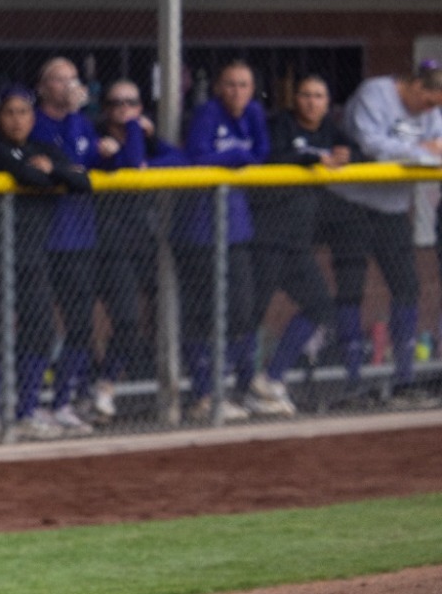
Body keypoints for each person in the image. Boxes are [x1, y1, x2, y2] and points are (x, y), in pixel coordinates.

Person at [327, 62, 442, 406]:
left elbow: (438, 142)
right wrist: (420, 150)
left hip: (393, 208)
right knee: (351, 289)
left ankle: (404, 378)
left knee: (406, 287)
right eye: (429, 101)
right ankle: (351, 383)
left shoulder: (431, 111)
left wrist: (423, 148)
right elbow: (371, 144)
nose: (431, 110)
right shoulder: (375, 93)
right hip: (353, 204)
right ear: (417, 87)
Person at [0, 85, 93, 439]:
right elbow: (30, 176)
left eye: (24, 112)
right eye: (9, 112)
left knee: (41, 328)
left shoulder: (41, 148)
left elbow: (81, 180)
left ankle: (26, 408)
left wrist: (52, 168)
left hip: (32, 254)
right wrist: (49, 172)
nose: (17, 120)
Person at [245, 75, 354, 416]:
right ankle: (232, 390)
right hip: (266, 236)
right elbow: (274, 156)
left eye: (318, 96)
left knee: (320, 305)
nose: (311, 101)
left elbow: (354, 149)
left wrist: (346, 154)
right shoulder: (280, 123)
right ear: (296, 99)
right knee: (250, 314)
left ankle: (271, 378)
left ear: (327, 102)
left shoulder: (329, 129)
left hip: (298, 242)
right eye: (305, 95)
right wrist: (314, 160)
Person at [176, 61, 269, 422]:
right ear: (218, 87)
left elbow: (261, 153)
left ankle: (238, 386)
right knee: (202, 315)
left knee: (243, 309)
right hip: (199, 228)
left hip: (237, 227)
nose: (237, 92)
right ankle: (204, 394)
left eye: (244, 85)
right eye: (230, 84)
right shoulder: (206, 113)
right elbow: (198, 157)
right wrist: (235, 157)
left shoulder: (254, 113)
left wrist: (236, 158)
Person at [90, 79, 184, 423]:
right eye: (116, 103)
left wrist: (153, 142)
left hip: (144, 243)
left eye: (131, 103)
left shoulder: (144, 142)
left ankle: (156, 386)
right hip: (108, 246)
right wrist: (134, 131)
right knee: (125, 320)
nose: (123, 109)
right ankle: (102, 388)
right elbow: (128, 164)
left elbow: (181, 159)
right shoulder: (102, 141)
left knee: (166, 312)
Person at [30, 58, 105, 435]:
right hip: (44, 239)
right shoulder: (36, 123)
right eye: (58, 80)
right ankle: (29, 403)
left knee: (79, 323)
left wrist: (81, 120)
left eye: (72, 80)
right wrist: (74, 115)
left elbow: (85, 162)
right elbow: (69, 164)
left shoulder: (81, 122)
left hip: (80, 236)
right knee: (38, 325)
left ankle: (62, 401)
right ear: (42, 87)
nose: (67, 86)